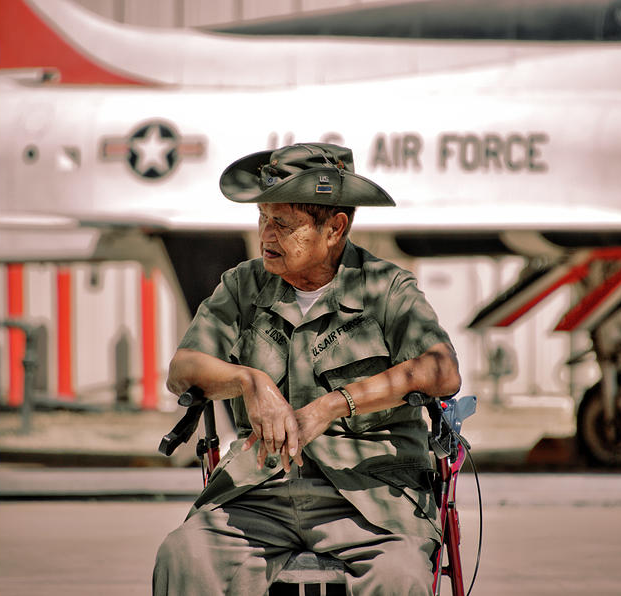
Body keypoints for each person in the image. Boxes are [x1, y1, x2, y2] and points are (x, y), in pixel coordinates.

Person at [153, 143, 461, 596]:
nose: (266, 236)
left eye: (283, 223)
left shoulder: (385, 288)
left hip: (369, 500)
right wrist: (248, 380)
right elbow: (183, 368)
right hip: (258, 493)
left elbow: (442, 370)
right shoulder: (242, 286)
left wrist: (336, 405)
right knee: (183, 555)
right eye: (262, 219)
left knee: (399, 576)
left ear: (335, 227)